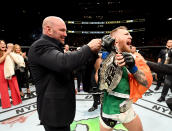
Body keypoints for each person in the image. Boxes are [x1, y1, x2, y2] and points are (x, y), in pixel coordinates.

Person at [28, 16, 101, 131]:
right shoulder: (40, 46)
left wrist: (91, 55)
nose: (66, 34)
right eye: (62, 30)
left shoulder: (54, 47)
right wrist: (88, 48)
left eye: (65, 30)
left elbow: (68, 68)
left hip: (60, 111)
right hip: (53, 113)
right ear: (48, 30)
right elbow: (63, 63)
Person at [94, 26, 153, 131]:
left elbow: (145, 82)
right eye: (126, 34)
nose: (130, 36)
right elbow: (100, 84)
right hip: (108, 109)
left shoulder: (134, 57)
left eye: (129, 34)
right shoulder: (102, 58)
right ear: (115, 40)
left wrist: (133, 68)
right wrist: (109, 60)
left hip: (126, 108)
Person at [0, 40, 22, 109]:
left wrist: (10, 52)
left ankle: (16, 101)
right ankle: (6, 104)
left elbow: (15, 59)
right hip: (1, 71)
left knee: (14, 85)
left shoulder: (9, 51)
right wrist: (7, 53)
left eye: (4, 43)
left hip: (10, 70)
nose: (3, 45)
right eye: (1, 44)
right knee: (3, 88)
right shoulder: (5, 52)